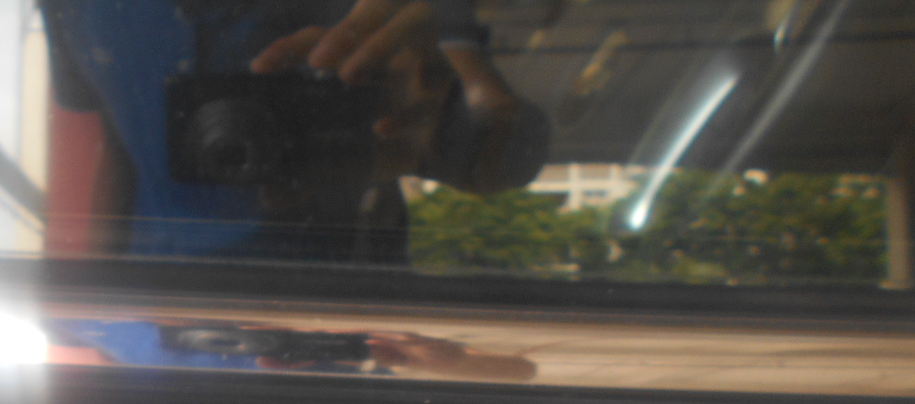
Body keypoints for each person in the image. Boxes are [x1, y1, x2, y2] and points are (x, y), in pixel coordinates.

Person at [40, 0, 548, 261]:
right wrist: (97, 309)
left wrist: (444, 122)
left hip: (341, 316)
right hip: (153, 325)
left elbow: (500, 151)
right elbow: (120, 139)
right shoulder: (71, 7)